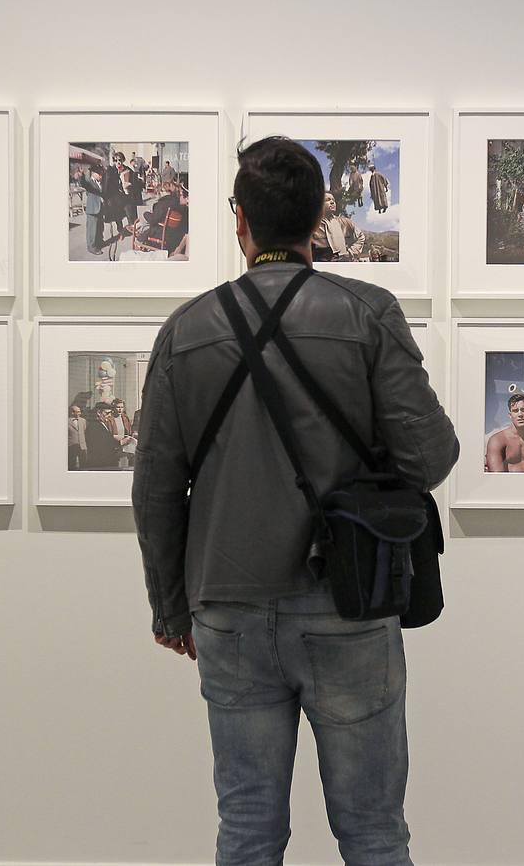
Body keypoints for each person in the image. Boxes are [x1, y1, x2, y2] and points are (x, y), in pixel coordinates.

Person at [133, 136, 458, 865]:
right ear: (317, 220)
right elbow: (430, 457)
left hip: (228, 608)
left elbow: (156, 489)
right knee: (374, 832)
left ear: (239, 220)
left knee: (248, 830)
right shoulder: (368, 313)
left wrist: (169, 608)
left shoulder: (186, 331)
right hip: (348, 602)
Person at [311, 191, 364, 262]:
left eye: (333, 200)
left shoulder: (344, 222)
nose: (332, 202)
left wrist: (350, 253)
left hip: (341, 264)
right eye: (327, 200)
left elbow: (360, 236)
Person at [74, 165, 107, 254]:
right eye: (99, 174)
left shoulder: (101, 182)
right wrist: (81, 176)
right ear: (94, 173)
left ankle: (99, 241)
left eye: (102, 174)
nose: (101, 176)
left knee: (100, 227)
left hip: (100, 208)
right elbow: (83, 184)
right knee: (92, 229)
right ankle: (91, 247)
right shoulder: (90, 182)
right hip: (92, 209)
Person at [84, 401, 122, 469]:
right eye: (107, 413)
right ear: (98, 413)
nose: (110, 415)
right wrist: (120, 443)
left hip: (104, 463)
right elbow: (101, 448)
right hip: (100, 465)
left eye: (111, 413)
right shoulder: (93, 427)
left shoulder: (102, 424)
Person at [67, 404, 88, 470]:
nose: (80, 413)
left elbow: (84, 431)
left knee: (83, 463)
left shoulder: (83, 421)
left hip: (82, 446)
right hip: (71, 446)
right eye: (78, 411)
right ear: (72, 412)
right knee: (71, 463)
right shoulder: (66, 421)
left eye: (80, 411)